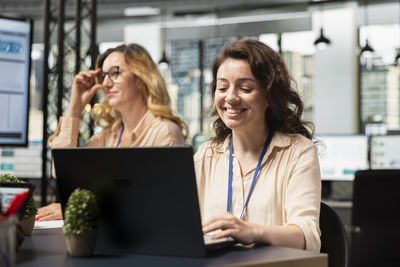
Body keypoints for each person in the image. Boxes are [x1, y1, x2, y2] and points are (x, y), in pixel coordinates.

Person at [194, 39, 321, 251]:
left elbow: (308, 238)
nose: (230, 97)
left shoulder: (298, 152)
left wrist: (251, 231)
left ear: (270, 96)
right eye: (222, 87)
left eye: (245, 88)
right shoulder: (207, 155)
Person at [36, 43, 187, 221]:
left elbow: (159, 205)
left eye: (115, 73)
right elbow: (62, 169)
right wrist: (75, 107)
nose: (106, 83)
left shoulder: (164, 132)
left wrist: (81, 209)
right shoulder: (109, 135)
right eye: (103, 76)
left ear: (140, 78)